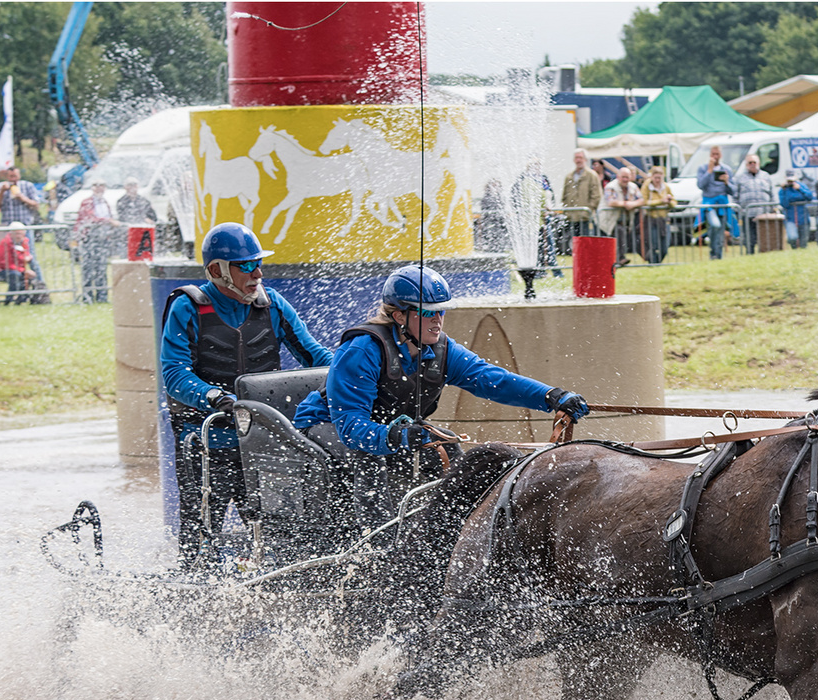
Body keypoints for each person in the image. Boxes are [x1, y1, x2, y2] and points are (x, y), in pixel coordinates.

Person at [291, 265, 589, 528]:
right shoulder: (361, 350)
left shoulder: (442, 350)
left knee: (445, 443)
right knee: (369, 456)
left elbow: (491, 379)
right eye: (427, 313)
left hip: (389, 429)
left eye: (441, 311)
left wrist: (550, 396)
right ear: (399, 316)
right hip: (322, 428)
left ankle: (451, 528)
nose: (437, 320)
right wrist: (397, 437)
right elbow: (351, 428)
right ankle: (376, 545)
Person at [160, 223, 333, 560]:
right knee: (200, 535)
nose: (257, 273)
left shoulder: (273, 305)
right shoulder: (189, 307)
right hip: (208, 442)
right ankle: (194, 582)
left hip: (263, 443)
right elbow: (174, 373)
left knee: (274, 534)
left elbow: (316, 356)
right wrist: (214, 397)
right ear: (216, 270)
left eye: (258, 263)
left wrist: (353, 372)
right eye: (245, 266)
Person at [73, 181, 123, 303]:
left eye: (102, 186)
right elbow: (90, 218)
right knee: (88, 268)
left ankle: (102, 296)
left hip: (103, 238)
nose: (100, 189)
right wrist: (108, 221)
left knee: (101, 267)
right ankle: (87, 296)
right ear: (93, 188)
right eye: (97, 186)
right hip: (89, 239)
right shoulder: (87, 202)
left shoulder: (104, 202)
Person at [697, 145, 735, 260]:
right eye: (713, 154)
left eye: (717, 154)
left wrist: (727, 182)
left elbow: (733, 191)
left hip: (723, 205)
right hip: (709, 204)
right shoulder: (703, 168)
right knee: (715, 225)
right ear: (709, 155)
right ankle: (713, 252)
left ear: (721, 155)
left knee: (720, 231)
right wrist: (709, 171)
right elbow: (700, 185)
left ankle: (717, 256)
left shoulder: (726, 169)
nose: (715, 157)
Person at [734, 153, 775, 254]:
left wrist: (774, 208)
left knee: (765, 239)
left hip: (764, 214)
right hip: (747, 214)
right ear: (746, 164)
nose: (752, 164)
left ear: (759, 163)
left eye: (754, 162)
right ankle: (750, 256)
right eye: (750, 162)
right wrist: (739, 210)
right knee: (749, 239)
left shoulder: (766, 176)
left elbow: (772, 193)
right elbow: (735, 196)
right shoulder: (739, 178)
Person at [0, 222, 38, 304]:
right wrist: (22, 271)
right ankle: (8, 300)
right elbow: (5, 263)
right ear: (11, 234)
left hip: (15, 269)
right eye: (17, 233)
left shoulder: (24, 243)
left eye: (21, 234)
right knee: (15, 275)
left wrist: (29, 259)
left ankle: (21, 299)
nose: (19, 236)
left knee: (29, 277)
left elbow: (25, 256)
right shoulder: (5, 243)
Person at [604, 166, 643, 266]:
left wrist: (633, 204)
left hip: (626, 219)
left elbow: (641, 200)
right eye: (623, 177)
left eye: (627, 177)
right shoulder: (611, 186)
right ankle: (619, 259)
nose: (625, 179)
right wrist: (626, 204)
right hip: (610, 219)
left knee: (621, 237)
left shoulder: (633, 187)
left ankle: (618, 259)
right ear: (618, 176)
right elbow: (611, 202)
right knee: (618, 236)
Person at [639, 165, 676, 264]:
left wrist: (669, 202)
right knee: (654, 245)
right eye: (656, 177)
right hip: (651, 219)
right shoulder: (647, 186)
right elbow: (644, 202)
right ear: (652, 177)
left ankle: (657, 263)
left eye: (659, 178)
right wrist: (660, 201)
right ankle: (653, 264)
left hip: (664, 220)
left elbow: (674, 202)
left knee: (665, 247)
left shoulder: (666, 187)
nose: (658, 180)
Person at [561, 149, 600, 240]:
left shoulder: (592, 176)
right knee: (573, 244)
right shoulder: (569, 176)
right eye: (576, 158)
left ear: (585, 159)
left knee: (586, 242)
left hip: (585, 218)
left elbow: (596, 196)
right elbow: (565, 195)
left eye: (580, 158)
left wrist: (588, 210)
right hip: (571, 217)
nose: (578, 160)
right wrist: (566, 210)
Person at [778, 170, 813, 248]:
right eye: (789, 180)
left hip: (803, 218)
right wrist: (784, 191)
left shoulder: (802, 186)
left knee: (804, 242)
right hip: (790, 218)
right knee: (792, 238)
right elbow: (784, 204)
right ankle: (794, 251)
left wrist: (800, 189)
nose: (791, 182)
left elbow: (809, 197)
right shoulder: (783, 190)